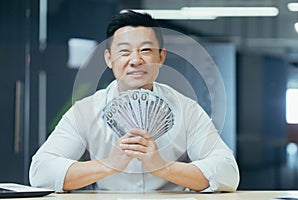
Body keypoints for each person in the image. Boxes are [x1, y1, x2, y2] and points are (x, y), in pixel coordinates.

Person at [29, 10, 239, 192]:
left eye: (146, 50)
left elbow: (228, 172)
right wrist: (109, 164)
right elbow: (40, 172)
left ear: (161, 58)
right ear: (109, 59)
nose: (135, 60)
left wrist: (162, 166)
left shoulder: (187, 110)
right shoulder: (85, 111)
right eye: (124, 51)